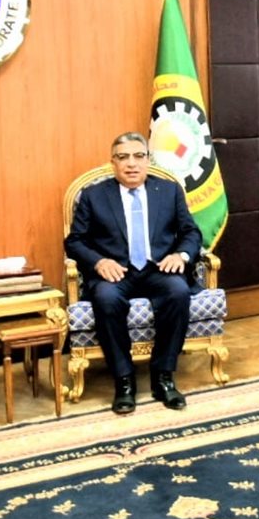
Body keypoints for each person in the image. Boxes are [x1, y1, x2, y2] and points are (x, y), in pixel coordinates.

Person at [65, 132, 203, 415]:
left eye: (139, 156)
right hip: (116, 272)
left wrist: (180, 255)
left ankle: (163, 377)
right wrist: (99, 262)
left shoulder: (169, 191)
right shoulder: (94, 196)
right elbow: (75, 241)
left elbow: (191, 232)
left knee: (178, 291)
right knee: (105, 298)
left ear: (148, 160)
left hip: (158, 268)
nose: (131, 163)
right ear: (113, 163)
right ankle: (124, 380)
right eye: (123, 157)